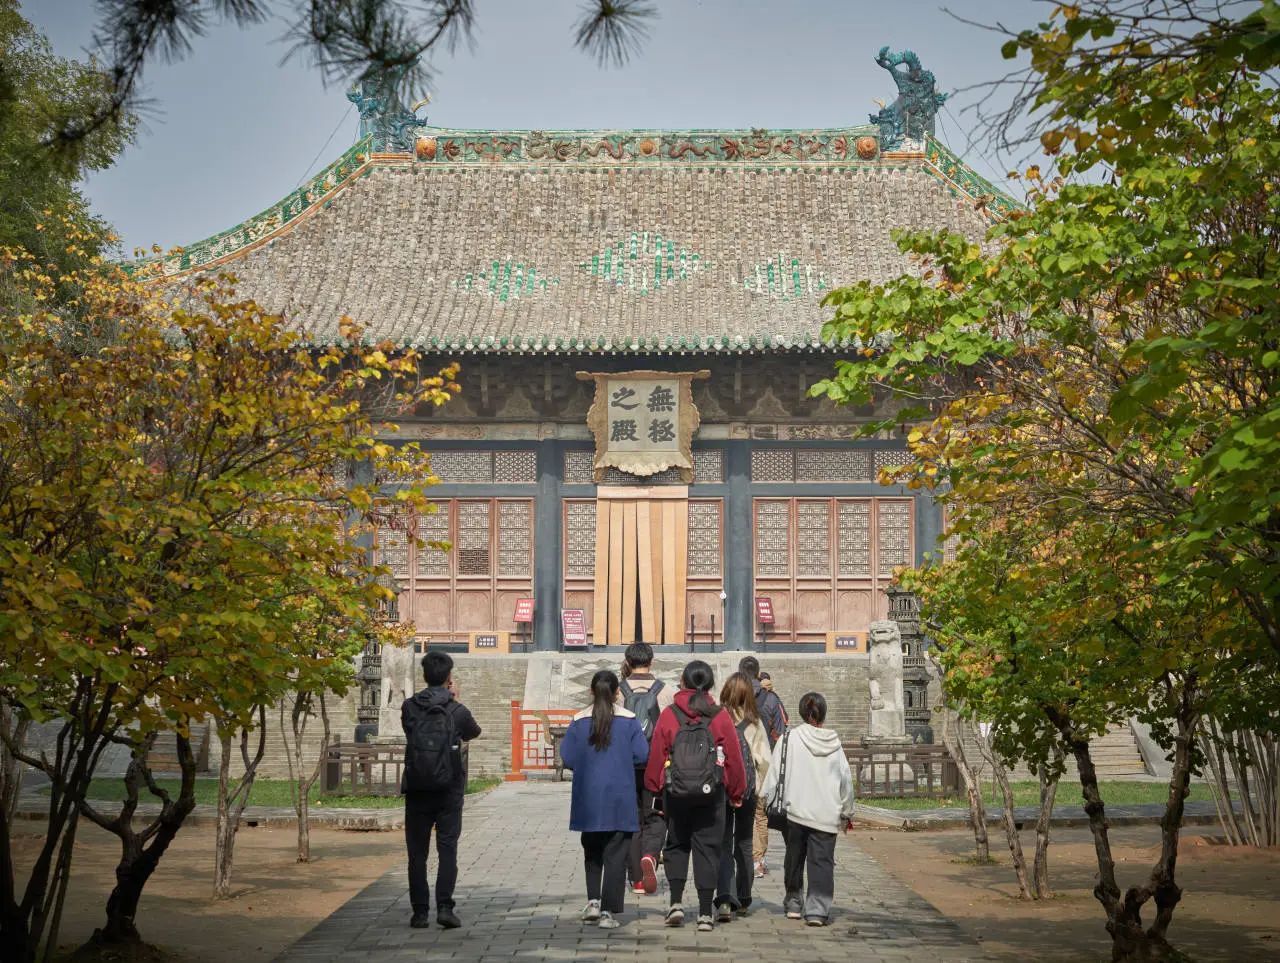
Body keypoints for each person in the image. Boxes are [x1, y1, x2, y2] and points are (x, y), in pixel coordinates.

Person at [643, 660, 747, 932]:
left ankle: (676, 903)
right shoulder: (719, 715)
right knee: (708, 849)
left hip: (675, 792)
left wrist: (653, 786)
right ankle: (704, 913)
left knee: (676, 845)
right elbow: (733, 757)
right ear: (710, 684)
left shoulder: (670, 714)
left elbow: (657, 753)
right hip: (712, 794)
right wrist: (736, 791)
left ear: (684, 682)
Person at [560, 669, 650, 929]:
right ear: (617, 692)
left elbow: (568, 757)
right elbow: (642, 754)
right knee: (616, 855)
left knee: (592, 852)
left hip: (588, 796)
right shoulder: (629, 720)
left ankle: (593, 902)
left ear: (591, 691)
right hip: (620, 795)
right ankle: (608, 912)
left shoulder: (579, 720)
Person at [401, 650, 482, 930]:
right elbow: (473, 732)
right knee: (447, 849)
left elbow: (409, 732)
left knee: (417, 854)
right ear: (449, 677)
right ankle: (445, 908)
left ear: (424, 675)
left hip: (417, 788)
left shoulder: (409, 707)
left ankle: (419, 912)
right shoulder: (457, 711)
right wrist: (453, 699)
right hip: (449, 790)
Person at [759, 691, 855, 927]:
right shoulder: (834, 743)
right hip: (827, 814)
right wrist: (846, 811)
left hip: (796, 810)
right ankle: (817, 910)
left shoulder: (788, 739)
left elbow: (773, 775)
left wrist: (764, 798)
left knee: (794, 858)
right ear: (823, 714)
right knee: (822, 862)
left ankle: (793, 901)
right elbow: (846, 781)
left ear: (802, 712)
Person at [713, 672, 771, 922]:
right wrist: (762, 791)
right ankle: (745, 898)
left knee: (723, 843)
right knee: (745, 843)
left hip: (722, 789)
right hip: (748, 790)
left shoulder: (717, 718)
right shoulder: (754, 723)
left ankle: (725, 899)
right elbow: (764, 762)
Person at [618, 641, 674, 895]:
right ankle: (650, 854)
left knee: (631, 819)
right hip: (657, 765)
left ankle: (637, 880)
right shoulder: (666, 692)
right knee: (656, 815)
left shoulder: (618, 693)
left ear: (628, 662)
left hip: (625, 766)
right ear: (651, 661)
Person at [738, 656, 787, 878]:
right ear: (758, 673)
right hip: (763, 762)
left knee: (737, 813)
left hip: (738, 763)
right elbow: (781, 731)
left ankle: (740, 856)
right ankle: (758, 860)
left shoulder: (734, 696)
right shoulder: (771, 698)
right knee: (760, 813)